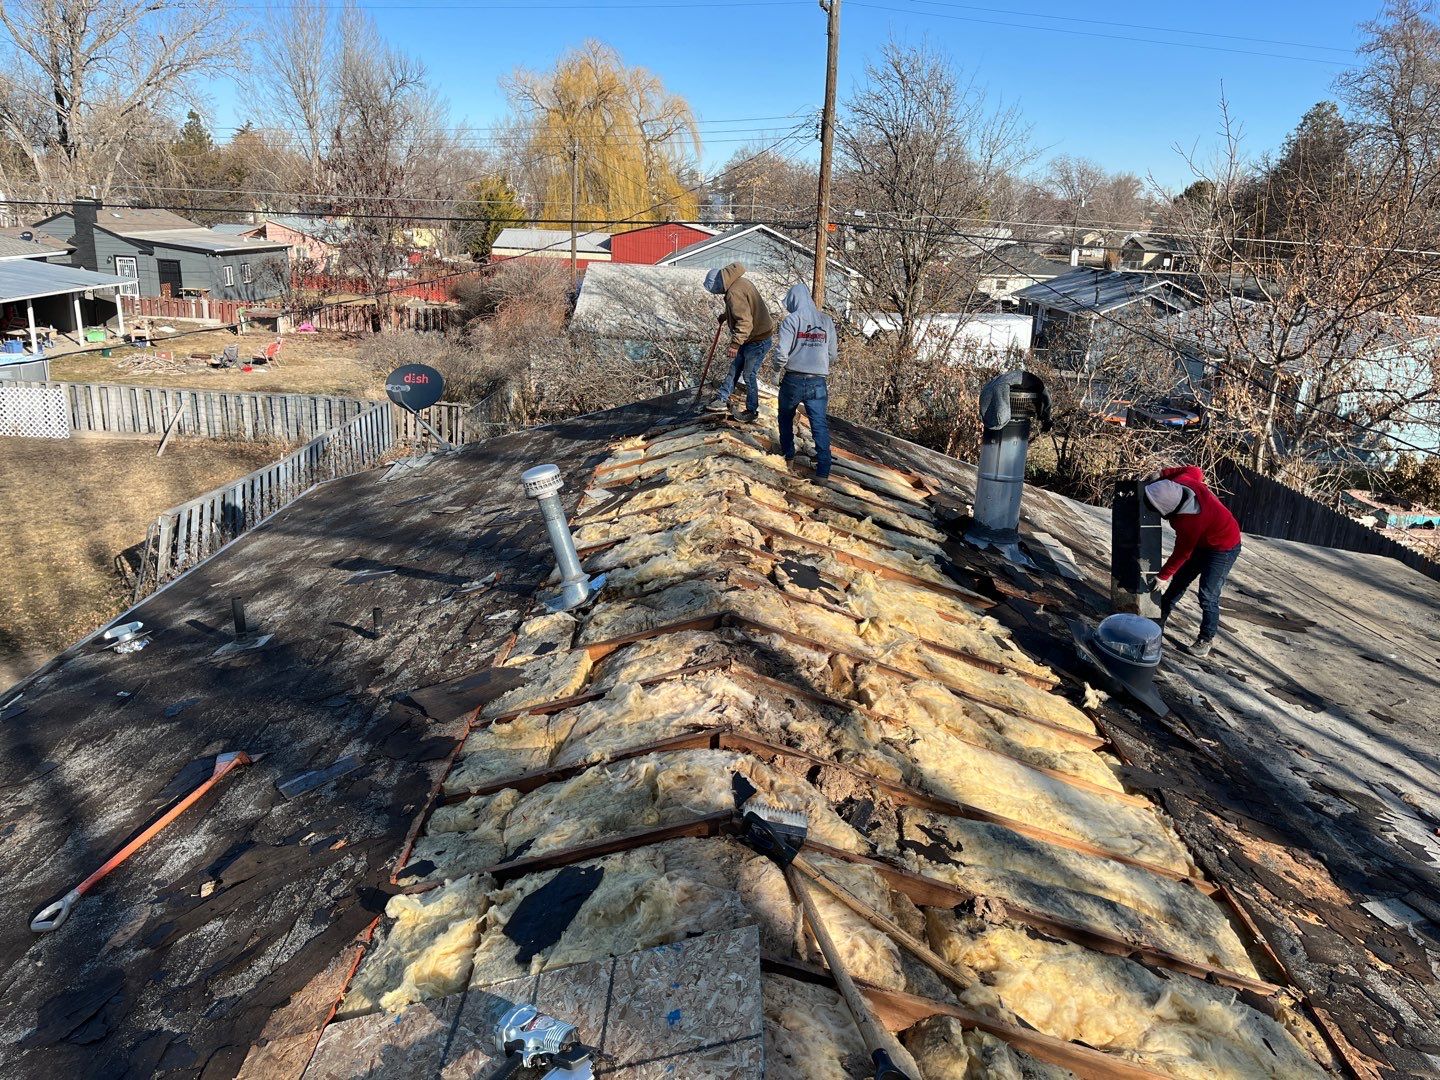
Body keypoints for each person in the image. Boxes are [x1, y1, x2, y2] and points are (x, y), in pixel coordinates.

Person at [1144, 465, 1242, 657]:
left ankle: (1205, 639)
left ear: (1168, 511)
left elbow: (1182, 553)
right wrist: (1161, 474)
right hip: (1204, 541)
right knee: (1178, 583)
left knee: (1208, 595)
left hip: (1224, 547)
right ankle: (1156, 621)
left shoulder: (1190, 523)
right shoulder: (1183, 483)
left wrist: (1163, 576)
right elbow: (1195, 469)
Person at [773, 281, 836, 479]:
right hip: (818, 381)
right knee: (819, 424)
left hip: (794, 379)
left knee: (785, 418)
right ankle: (823, 472)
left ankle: (788, 457)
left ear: (793, 301)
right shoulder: (826, 321)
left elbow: (781, 353)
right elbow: (833, 354)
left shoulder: (791, 321)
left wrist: (776, 371)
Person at [703, 262, 775, 420]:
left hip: (757, 340)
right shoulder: (739, 282)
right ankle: (722, 398)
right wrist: (726, 315)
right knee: (734, 368)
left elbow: (745, 322)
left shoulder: (733, 293)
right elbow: (743, 309)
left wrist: (735, 344)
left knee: (749, 374)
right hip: (754, 336)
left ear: (718, 284)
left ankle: (751, 410)